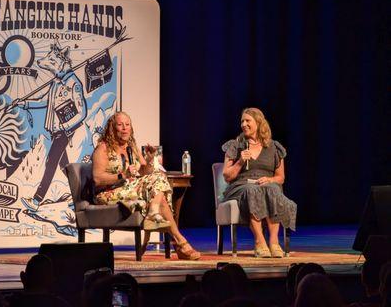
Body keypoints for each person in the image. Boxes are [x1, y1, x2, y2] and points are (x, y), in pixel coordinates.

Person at [92, 111, 200, 260]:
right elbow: (97, 179)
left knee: (159, 186)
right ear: (112, 128)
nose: (124, 128)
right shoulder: (103, 148)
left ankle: (160, 219)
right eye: (120, 125)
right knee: (158, 188)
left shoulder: (131, 147)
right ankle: (180, 242)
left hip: (131, 189)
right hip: (109, 193)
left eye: (127, 125)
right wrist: (122, 175)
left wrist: (149, 160)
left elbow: (145, 172)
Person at [222, 107, 296, 258]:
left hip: (266, 185)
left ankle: (274, 242)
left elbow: (280, 177)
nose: (244, 124)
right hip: (240, 186)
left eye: (247, 120)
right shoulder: (236, 145)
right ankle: (259, 241)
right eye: (242, 121)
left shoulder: (274, 147)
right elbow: (227, 176)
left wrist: (269, 179)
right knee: (252, 190)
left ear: (259, 122)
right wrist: (240, 161)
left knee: (273, 188)